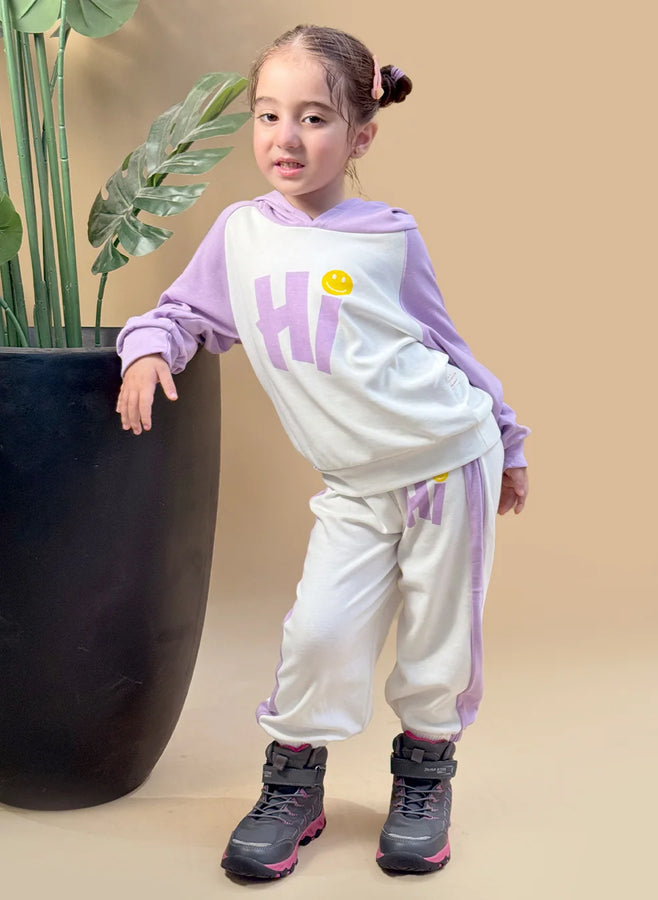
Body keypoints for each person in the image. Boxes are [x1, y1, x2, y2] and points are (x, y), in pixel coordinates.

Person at [116, 24, 530, 881]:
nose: (286, 137)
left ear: (361, 134)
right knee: (318, 633)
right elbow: (186, 316)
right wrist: (148, 350)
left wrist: (509, 436)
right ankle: (293, 788)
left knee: (438, 637)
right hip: (353, 484)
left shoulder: (387, 236)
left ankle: (423, 782)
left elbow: (444, 342)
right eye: (269, 115)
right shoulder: (239, 235)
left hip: (447, 459)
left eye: (313, 118)